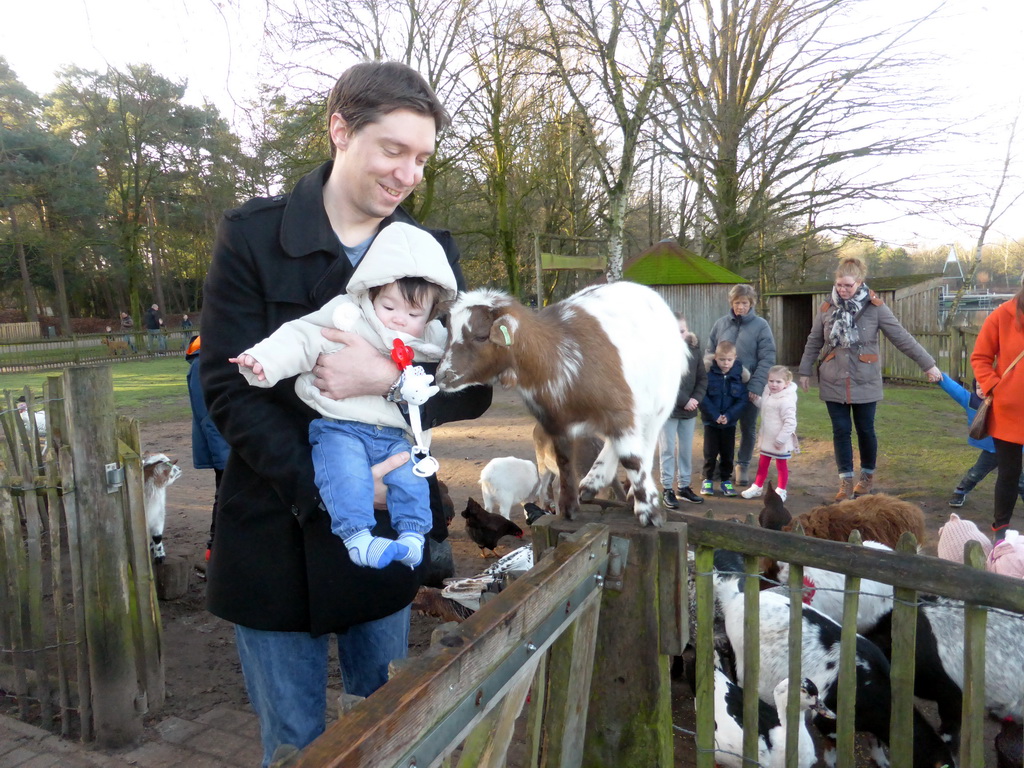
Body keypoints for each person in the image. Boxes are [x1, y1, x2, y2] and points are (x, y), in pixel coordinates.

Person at [199, 61, 491, 766]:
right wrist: (333, 489)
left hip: (385, 523)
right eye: (394, 150)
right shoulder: (252, 235)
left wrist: (390, 372)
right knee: (295, 746)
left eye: (422, 157)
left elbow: (476, 384)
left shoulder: (429, 253)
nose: (408, 173)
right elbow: (225, 388)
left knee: (386, 728)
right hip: (274, 524)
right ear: (340, 130)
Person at [230, 222, 457, 570]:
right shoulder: (347, 316)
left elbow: (463, 372)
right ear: (371, 293)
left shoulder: (434, 339)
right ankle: (358, 538)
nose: (399, 320)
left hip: (397, 435)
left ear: (430, 314)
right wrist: (263, 360)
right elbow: (300, 337)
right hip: (342, 427)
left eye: (413, 314)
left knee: (411, 480)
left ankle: (412, 537)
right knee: (346, 477)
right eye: (389, 307)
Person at [799, 256, 941, 501]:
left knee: (865, 430)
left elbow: (902, 337)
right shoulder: (826, 308)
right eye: (839, 285)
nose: (842, 290)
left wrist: (928, 364)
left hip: (865, 379)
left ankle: (866, 476)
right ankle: (845, 481)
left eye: (848, 285)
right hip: (833, 379)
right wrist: (804, 370)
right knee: (841, 431)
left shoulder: (875, 308)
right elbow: (814, 340)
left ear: (859, 282)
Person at [706, 284, 776, 486]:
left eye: (744, 303)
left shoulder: (761, 326)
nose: (740, 307)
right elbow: (710, 352)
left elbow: (767, 357)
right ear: (731, 303)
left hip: (748, 387)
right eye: (737, 303)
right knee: (721, 426)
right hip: (722, 388)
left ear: (751, 304)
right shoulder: (721, 324)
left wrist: (755, 385)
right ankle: (719, 465)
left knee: (747, 427)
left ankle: (742, 464)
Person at [970, 275, 1024, 540]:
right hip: (1009, 412)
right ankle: (1000, 531)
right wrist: (995, 387)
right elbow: (980, 357)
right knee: (1009, 474)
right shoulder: (1002, 315)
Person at [938, 374, 1024, 510]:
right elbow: (954, 389)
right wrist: (938, 376)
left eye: (986, 386)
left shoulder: (1008, 402)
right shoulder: (971, 401)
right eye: (978, 387)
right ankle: (960, 492)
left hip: (1010, 449)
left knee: (1019, 480)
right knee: (976, 473)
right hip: (991, 451)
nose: (982, 390)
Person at [185, 335, 230, 561]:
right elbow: (207, 416)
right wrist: (224, 456)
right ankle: (214, 551)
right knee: (224, 496)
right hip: (225, 447)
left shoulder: (216, 356)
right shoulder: (202, 364)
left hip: (231, 445)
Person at [659, 313, 707, 507]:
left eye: (682, 330)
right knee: (668, 450)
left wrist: (696, 399)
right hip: (668, 411)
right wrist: (684, 400)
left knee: (686, 450)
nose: (679, 334)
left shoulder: (694, 350)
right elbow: (663, 382)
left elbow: (702, 378)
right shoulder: (660, 352)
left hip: (689, 411)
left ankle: (684, 487)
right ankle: (667, 488)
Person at [741, 365, 799, 501]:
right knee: (762, 464)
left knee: (781, 466)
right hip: (767, 438)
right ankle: (757, 486)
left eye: (778, 382)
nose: (774, 384)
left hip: (780, 441)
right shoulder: (768, 393)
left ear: (787, 383)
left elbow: (790, 423)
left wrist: (781, 439)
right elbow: (766, 407)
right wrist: (756, 400)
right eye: (771, 381)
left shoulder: (786, 400)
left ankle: (781, 490)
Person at [699, 340, 748, 497]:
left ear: (735, 358)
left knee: (728, 453)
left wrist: (728, 416)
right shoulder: (708, 374)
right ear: (715, 358)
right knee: (710, 452)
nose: (725, 363)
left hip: (729, 423)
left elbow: (742, 399)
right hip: (711, 422)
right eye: (722, 359)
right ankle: (708, 479)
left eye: (729, 360)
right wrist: (715, 415)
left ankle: (726, 480)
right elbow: (703, 397)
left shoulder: (739, 375)